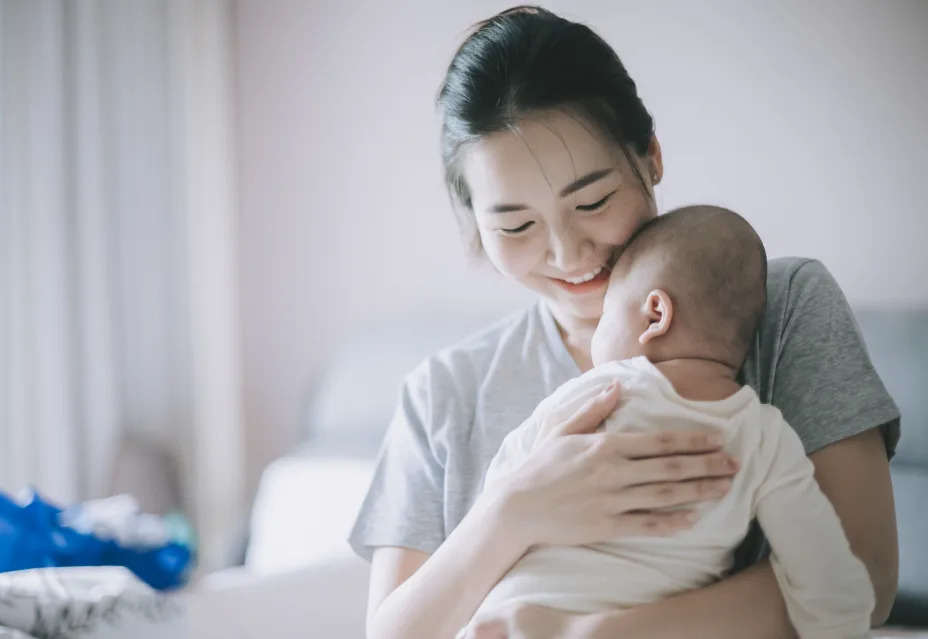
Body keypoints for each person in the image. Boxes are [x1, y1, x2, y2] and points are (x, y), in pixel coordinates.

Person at [349, 7, 900, 639]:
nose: (568, 252)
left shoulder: (780, 308)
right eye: (515, 225)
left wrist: (600, 631)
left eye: (593, 201)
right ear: (477, 225)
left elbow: (867, 575)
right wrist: (510, 511)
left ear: (651, 156)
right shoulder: (444, 392)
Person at [462, 205, 874, 639]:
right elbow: (826, 573)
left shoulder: (599, 392)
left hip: (519, 615)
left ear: (655, 314)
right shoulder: (766, 436)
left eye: (605, 316)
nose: (597, 332)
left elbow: (507, 483)